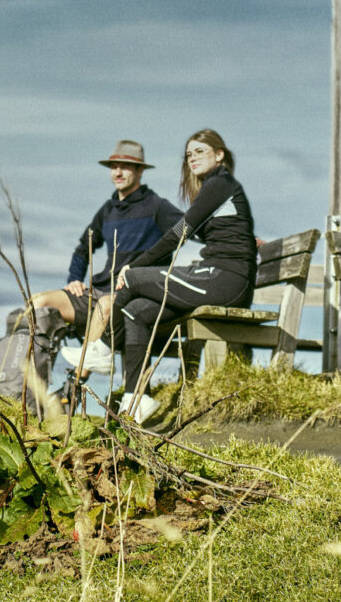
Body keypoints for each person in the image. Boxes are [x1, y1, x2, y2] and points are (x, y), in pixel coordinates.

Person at [108, 128, 256, 422]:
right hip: (215, 275)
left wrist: (134, 266)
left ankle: (101, 347)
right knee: (137, 311)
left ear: (219, 154)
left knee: (134, 280)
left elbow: (179, 234)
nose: (192, 158)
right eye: (188, 154)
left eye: (199, 151)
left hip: (225, 281)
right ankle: (136, 398)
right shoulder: (212, 189)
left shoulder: (221, 183)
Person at [21, 139, 184, 379]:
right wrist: (74, 278)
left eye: (125, 166)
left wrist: (239, 237)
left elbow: (190, 227)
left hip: (132, 295)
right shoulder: (108, 210)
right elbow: (83, 247)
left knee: (105, 307)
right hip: (98, 292)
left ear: (140, 171)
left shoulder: (157, 206)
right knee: (40, 303)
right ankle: (27, 387)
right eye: (113, 166)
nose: (118, 172)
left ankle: (73, 388)